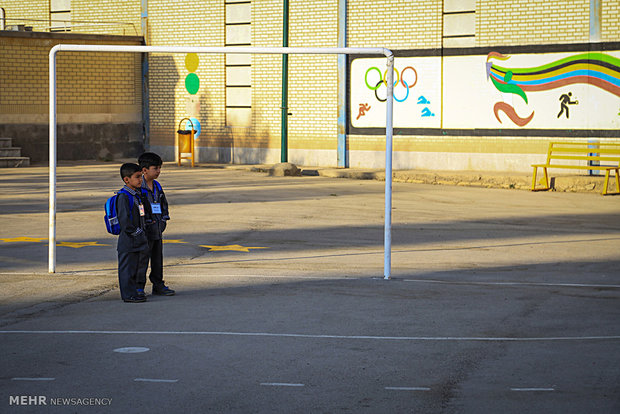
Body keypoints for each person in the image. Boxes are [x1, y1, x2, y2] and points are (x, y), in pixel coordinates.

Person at [137, 152, 175, 297]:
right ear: (145, 170)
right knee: (142, 259)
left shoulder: (157, 186)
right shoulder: (139, 186)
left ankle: (158, 284)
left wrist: (164, 219)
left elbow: (163, 203)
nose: (159, 171)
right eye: (155, 168)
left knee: (157, 259)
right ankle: (139, 286)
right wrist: (145, 222)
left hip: (157, 229)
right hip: (145, 230)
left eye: (159, 168)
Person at [116, 163, 149, 303]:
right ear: (126, 180)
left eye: (141, 177)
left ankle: (135, 291)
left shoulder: (137, 195)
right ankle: (128, 295)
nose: (140, 180)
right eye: (137, 177)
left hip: (138, 239)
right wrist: (137, 232)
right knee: (127, 269)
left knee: (135, 267)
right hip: (128, 239)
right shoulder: (123, 197)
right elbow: (124, 221)